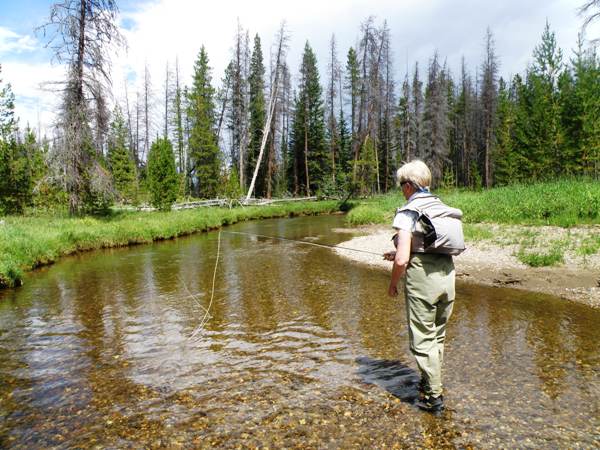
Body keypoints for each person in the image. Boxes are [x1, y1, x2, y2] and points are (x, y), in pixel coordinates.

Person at [384, 160, 464, 413]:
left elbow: (403, 259)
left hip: (423, 282)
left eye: (401, 186)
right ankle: (431, 381)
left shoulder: (408, 211)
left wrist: (393, 283)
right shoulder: (442, 207)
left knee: (421, 339)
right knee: (437, 335)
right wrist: (398, 251)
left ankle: (433, 397)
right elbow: (428, 244)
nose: (401, 190)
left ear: (408, 186)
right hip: (447, 277)